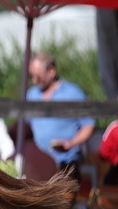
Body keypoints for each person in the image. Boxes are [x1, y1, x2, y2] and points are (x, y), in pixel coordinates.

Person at [26, 52, 94, 184]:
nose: (34, 81)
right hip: (38, 166)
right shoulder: (31, 94)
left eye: (38, 76)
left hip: (66, 164)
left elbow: (88, 126)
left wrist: (71, 143)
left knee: (65, 203)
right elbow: (26, 126)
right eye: (31, 76)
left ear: (51, 71)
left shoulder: (73, 93)